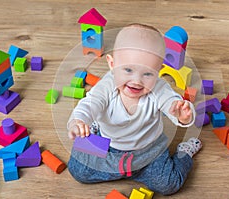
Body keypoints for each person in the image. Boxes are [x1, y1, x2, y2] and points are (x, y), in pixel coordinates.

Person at [67, 23, 202, 195]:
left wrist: (182, 114)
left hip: (150, 151)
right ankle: (94, 128)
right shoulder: (107, 86)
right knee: (78, 170)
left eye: (147, 73)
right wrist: (78, 122)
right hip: (109, 145)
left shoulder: (158, 88)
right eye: (128, 70)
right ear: (112, 64)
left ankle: (185, 153)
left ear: (159, 71)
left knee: (170, 184)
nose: (137, 81)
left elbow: (172, 103)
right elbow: (89, 104)